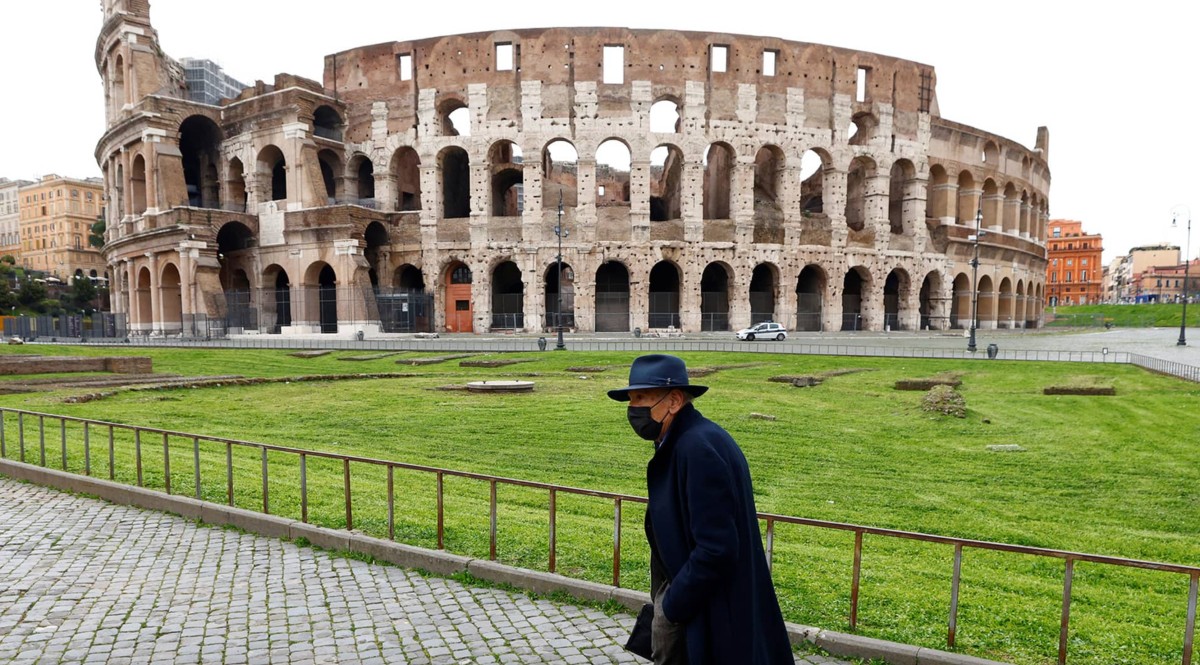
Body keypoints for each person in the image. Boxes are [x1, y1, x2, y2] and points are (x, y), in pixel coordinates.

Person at [608, 354, 793, 664]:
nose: (633, 408)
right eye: (630, 399)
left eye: (642, 397)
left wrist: (672, 607)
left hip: (710, 605)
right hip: (701, 596)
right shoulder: (685, 438)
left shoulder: (697, 448)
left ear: (675, 400)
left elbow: (717, 548)